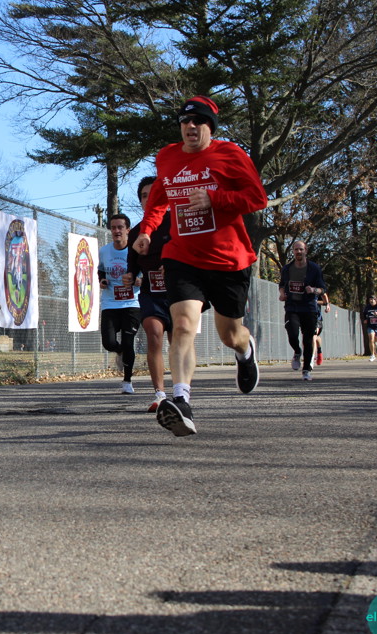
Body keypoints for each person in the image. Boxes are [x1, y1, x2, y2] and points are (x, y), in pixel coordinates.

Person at [133, 96, 268, 436]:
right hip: (183, 256)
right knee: (182, 325)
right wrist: (147, 230)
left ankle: (245, 350)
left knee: (230, 335)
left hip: (228, 259)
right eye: (185, 122)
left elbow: (257, 198)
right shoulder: (167, 157)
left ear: (210, 127)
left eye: (198, 122)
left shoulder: (231, 155)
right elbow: (159, 198)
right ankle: (181, 401)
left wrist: (215, 198)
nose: (190, 127)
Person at [124, 176, 172, 412]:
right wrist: (129, 276)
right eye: (144, 195)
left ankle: (182, 392)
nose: (149, 199)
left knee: (178, 342)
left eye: (154, 194)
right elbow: (132, 266)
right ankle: (160, 394)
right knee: (154, 335)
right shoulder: (135, 233)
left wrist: (173, 265)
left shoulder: (176, 221)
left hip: (179, 292)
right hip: (151, 293)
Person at [98, 213, 142, 394]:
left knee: (128, 341)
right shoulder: (104, 251)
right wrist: (102, 280)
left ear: (128, 230)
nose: (116, 231)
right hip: (110, 302)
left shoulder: (135, 250)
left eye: (120, 227)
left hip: (132, 303)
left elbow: (145, 273)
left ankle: (127, 381)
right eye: (113, 227)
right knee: (108, 343)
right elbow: (101, 270)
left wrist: (139, 281)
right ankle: (119, 351)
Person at [278, 240, 327, 381]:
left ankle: (306, 370)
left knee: (308, 339)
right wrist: (282, 294)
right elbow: (282, 285)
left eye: (301, 249)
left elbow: (323, 289)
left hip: (309, 308)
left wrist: (314, 290)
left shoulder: (314, 269)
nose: (298, 252)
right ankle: (297, 352)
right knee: (292, 333)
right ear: (293, 251)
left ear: (306, 251)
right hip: (292, 307)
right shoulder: (287, 269)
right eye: (296, 249)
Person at [313, 291, 330, 365]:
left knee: (313, 336)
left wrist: (315, 301)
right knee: (310, 337)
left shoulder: (317, 288)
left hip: (317, 317)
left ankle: (312, 357)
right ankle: (315, 353)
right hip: (305, 315)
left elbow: (324, 301)